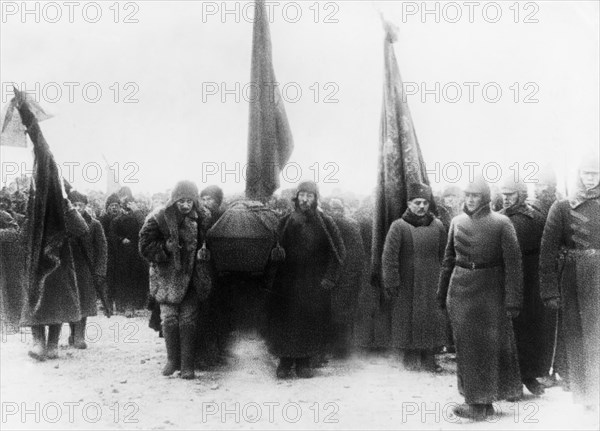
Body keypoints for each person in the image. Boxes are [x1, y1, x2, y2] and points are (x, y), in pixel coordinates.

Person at [437, 175, 523, 420]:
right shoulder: (456, 222)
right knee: (466, 347)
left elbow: (514, 264)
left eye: (476, 196)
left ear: (485, 198)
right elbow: (448, 261)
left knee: (487, 347)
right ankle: (475, 401)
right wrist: (442, 293)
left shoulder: (502, 223)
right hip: (461, 289)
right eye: (469, 195)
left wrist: (513, 299)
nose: (471, 200)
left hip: (490, 289)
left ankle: (482, 403)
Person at [539, 152, 600, 412]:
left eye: (595, 174)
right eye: (586, 173)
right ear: (579, 175)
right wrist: (550, 289)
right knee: (577, 337)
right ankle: (586, 396)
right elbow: (547, 251)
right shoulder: (562, 208)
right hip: (573, 278)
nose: (590, 179)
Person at [266, 181, 345, 379]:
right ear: (296, 197)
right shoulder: (284, 221)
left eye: (309, 196)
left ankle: (304, 363)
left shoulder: (325, 223)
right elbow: (271, 249)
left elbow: (339, 252)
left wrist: (329, 278)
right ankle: (284, 363)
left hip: (313, 282)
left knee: (309, 323)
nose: (305, 199)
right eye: (302, 195)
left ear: (315, 198)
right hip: (287, 282)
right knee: (285, 323)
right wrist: (274, 256)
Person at [139, 180, 213, 379]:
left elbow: (211, 243)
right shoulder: (158, 217)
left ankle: (187, 365)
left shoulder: (204, 218)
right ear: (174, 199)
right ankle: (173, 360)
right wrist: (164, 248)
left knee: (188, 321)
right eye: (181, 201)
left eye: (190, 201)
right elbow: (144, 245)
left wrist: (206, 253)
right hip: (166, 278)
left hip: (193, 277)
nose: (186, 205)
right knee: (169, 320)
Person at [382, 184, 447, 371]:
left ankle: (428, 358)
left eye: (425, 202)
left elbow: (445, 255)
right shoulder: (398, 226)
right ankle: (409, 357)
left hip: (432, 281)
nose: (422, 206)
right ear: (409, 203)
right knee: (406, 318)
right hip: (406, 282)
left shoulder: (438, 226)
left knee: (431, 318)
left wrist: (444, 279)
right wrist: (392, 281)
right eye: (417, 202)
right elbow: (389, 256)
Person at [21, 199, 89, 361]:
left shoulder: (64, 217)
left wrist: (66, 203)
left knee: (57, 305)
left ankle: (52, 344)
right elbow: (23, 239)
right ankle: (38, 343)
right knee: (35, 304)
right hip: (36, 269)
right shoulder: (32, 218)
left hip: (59, 268)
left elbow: (82, 228)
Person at [499, 178, 547, 396]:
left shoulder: (535, 218)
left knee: (530, 327)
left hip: (530, 277)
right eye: (504, 193)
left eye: (511, 193)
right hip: (506, 278)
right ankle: (511, 381)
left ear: (521, 194)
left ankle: (530, 375)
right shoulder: (497, 219)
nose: (507, 197)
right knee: (508, 328)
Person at [67, 190, 108, 349]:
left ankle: (79, 336)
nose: (77, 208)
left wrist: (100, 271)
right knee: (71, 301)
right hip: (69, 268)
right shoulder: (64, 224)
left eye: (80, 205)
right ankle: (72, 332)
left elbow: (102, 249)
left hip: (86, 268)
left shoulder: (94, 224)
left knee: (84, 301)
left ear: (86, 206)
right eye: (74, 205)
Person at [327, 198, 365, 359]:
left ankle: (338, 349)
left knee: (337, 312)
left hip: (340, 275)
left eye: (336, 210)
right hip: (344, 275)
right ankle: (341, 349)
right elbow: (359, 253)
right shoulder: (350, 224)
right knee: (342, 312)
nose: (335, 213)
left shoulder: (334, 225)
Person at [112, 197, 148, 316]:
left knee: (135, 279)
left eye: (130, 203)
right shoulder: (117, 219)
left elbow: (145, 227)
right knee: (123, 279)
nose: (127, 206)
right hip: (121, 254)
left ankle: (133, 305)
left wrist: (137, 211)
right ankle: (122, 305)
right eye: (125, 204)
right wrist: (121, 239)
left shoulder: (138, 217)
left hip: (136, 254)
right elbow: (111, 234)